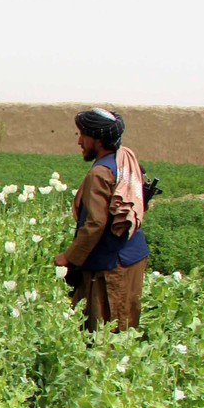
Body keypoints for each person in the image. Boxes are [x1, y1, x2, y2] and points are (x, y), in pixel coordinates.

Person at [52, 107, 149, 332]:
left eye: (83, 135)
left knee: (107, 332)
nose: (79, 141)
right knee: (126, 322)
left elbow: (95, 224)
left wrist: (68, 257)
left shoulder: (100, 173)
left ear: (98, 139)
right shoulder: (124, 159)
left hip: (111, 265)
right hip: (131, 256)